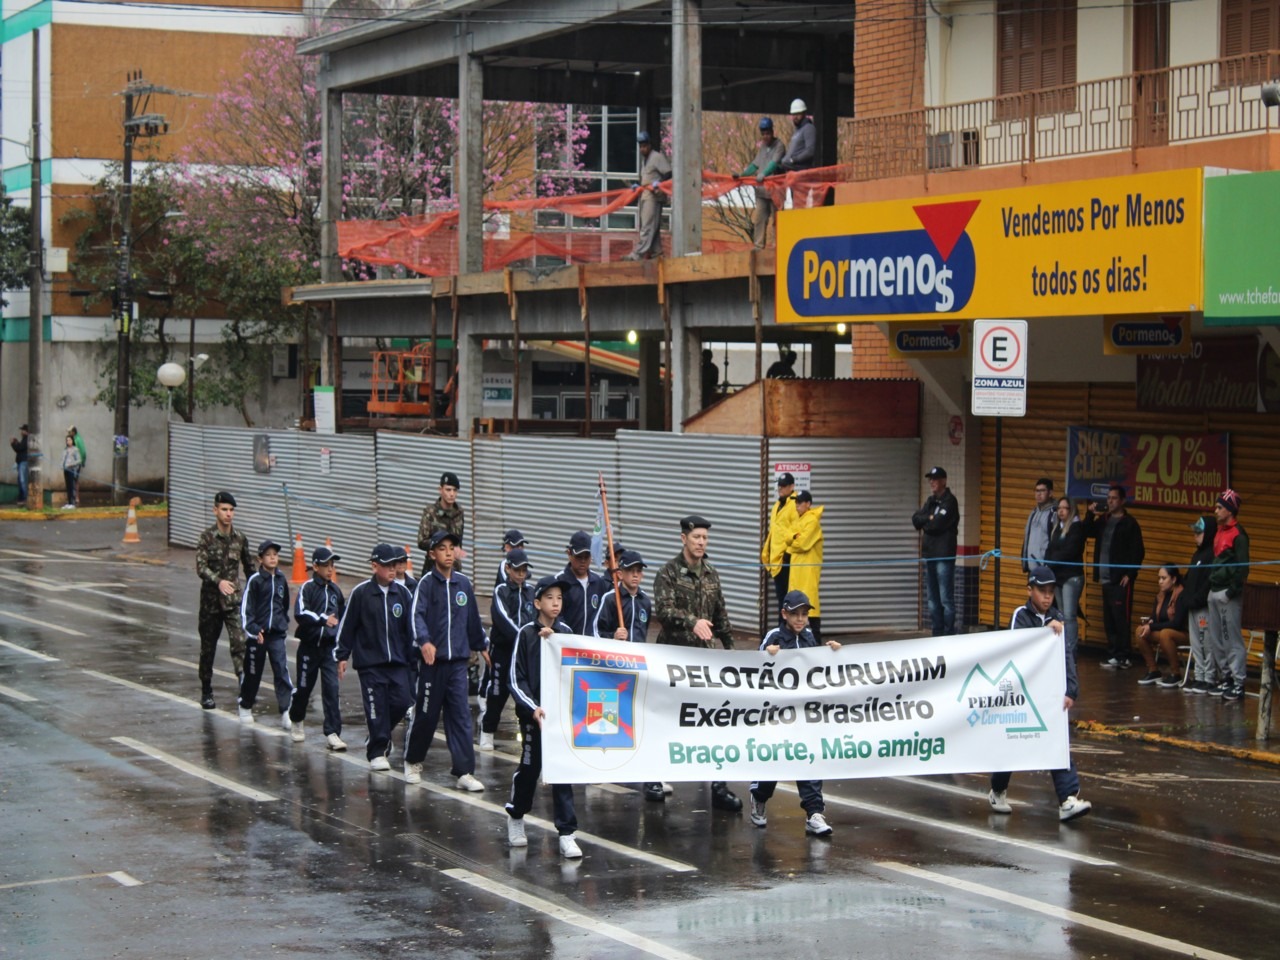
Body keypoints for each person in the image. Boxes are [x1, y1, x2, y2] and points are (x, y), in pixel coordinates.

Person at [987, 565, 1092, 822]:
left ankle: (1067, 799)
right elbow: (1019, 648)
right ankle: (998, 789)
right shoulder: (1020, 615)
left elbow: (1066, 656)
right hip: (1022, 695)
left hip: (1049, 695)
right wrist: (1046, 632)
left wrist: (1071, 690)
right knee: (1012, 745)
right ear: (1029, 590)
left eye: (1050, 592)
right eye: (1041, 591)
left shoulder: (1057, 617)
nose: (1047, 597)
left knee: (1056, 743)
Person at [652, 514, 741, 811]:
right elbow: (663, 610)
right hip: (673, 660)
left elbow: (722, 618)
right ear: (683, 538)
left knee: (712, 722)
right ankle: (655, 775)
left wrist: (734, 655)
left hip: (705, 664)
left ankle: (718, 784)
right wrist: (692, 621)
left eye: (705, 538)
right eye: (696, 538)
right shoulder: (668, 573)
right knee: (667, 719)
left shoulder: (711, 574)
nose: (701, 542)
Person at [749, 590, 839, 837]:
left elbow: (817, 667)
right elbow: (754, 667)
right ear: (784, 614)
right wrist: (768, 654)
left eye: (804, 614)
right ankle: (759, 797)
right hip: (778, 713)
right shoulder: (775, 636)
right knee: (774, 760)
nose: (800, 619)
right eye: (795, 614)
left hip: (803, 713)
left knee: (808, 758)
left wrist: (833, 652)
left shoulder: (810, 636)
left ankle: (814, 812)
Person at [404, 529, 488, 791]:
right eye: (442, 548)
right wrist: (425, 641)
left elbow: (472, 620)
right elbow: (416, 616)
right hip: (432, 664)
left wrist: (482, 644)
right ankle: (413, 760)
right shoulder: (426, 585)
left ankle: (464, 771)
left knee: (461, 715)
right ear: (432, 554)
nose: (449, 552)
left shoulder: (463, 584)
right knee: (427, 715)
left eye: (452, 547)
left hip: (458, 664)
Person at [506, 574, 582, 857]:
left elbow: (578, 668)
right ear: (537, 602)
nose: (555, 603)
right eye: (549, 597)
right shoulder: (525, 634)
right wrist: (532, 707)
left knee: (562, 771)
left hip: (559, 719)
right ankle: (516, 815)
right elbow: (516, 679)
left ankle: (567, 832)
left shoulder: (565, 633)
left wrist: (558, 642)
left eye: (559, 598)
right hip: (533, 718)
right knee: (529, 770)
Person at [333, 543, 417, 771]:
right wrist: (341, 655)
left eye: (396, 565)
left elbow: (412, 628)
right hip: (370, 664)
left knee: (402, 702)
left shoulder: (404, 594)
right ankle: (377, 751)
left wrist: (417, 653)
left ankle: (379, 734)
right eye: (387, 566)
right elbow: (347, 626)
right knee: (376, 706)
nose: (393, 570)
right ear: (374, 566)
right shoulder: (361, 593)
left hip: (398, 662)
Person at [195, 491, 255, 710]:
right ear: (215, 511)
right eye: (224, 510)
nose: (228, 514)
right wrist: (218, 581)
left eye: (231, 510)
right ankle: (206, 689)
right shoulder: (206, 537)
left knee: (240, 643)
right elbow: (201, 567)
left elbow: (250, 569)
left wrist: (257, 592)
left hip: (232, 602)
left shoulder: (240, 538)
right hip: (210, 603)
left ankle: (244, 686)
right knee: (207, 648)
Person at [290, 545, 347, 750]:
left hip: (329, 649)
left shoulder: (335, 591)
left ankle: (332, 732)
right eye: (326, 565)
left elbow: (343, 619)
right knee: (304, 688)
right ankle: (296, 718)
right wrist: (323, 620)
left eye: (332, 565)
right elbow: (301, 613)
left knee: (332, 690)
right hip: (309, 648)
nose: (330, 569)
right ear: (315, 566)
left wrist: (343, 652)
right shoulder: (307, 588)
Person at [1082, 484, 1145, 669]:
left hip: (1120, 580)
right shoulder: (1104, 520)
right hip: (1105, 578)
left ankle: (1124, 655)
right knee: (1109, 618)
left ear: (1122, 500)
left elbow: (1138, 551)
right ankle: (1113, 653)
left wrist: (1130, 573)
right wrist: (1089, 514)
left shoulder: (1129, 523)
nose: (1110, 501)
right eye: (1108, 498)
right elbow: (1087, 531)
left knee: (1121, 618)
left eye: (1114, 498)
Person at [238, 539, 295, 728]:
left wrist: (282, 623)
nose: (272, 558)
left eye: (275, 554)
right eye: (268, 555)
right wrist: (253, 630)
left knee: (281, 670)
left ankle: (286, 710)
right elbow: (247, 609)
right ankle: (245, 704)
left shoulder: (280, 579)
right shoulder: (255, 580)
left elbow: (284, 604)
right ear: (260, 559)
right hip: (258, 636)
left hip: (276, 634)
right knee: (253, 672)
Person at [481, 546, 534, 751]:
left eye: (524, 570)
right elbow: (502, 618)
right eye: (517, 569)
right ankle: (487, 730)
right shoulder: (501, 591)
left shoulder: (531, 592)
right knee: (497, 692)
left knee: (525, 691)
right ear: (509, 569)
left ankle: (528, 732)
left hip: (524, 653)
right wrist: (522, 637)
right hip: (503, 651)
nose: (521, 574)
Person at [1207, 489, 1250, 702]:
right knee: (1216, 638)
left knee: (1231, 638)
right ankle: (1226, 677)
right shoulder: (1219, 530)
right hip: (1214, 590)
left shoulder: (1238, 535)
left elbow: (1243, 569)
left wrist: (1231, 591)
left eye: (1219, 508)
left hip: (1227, 594)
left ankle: (1238, 681)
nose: (1215, 511)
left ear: (1230, 511)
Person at [912, 466, 959, 637]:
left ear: (944, 481)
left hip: (944, 556)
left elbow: (937, 524)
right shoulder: (930, 501)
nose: (932, 482)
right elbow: (916, 520)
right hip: (930, 555)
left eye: (935, 479)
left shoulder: (950, 501)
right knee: (932, 600)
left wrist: (929, 521)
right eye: (930, 479)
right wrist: (928, 518)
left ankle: (948, 633)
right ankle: (936, 633)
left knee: (946, 598)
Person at [734, 116, 785, 248]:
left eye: (768, 133)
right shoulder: (763, 147)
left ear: (772, 131)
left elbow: (773, 163)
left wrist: (764, 174)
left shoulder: (779, 146)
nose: (765, 136)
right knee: (760, 220)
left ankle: (777, 247)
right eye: (763, 134)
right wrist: (742, 175)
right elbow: (755, 165)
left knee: (777, 221)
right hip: (762, 191)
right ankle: (758, 247)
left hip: (775, 191)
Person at [1044, 497, 1087, 655]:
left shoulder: (1076, 527)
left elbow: (1070, 551)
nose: (1060, 511)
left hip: (1071, 576)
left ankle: (1071, 650)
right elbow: (1050, 548)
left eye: (1064, 508)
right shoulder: (1057, 528)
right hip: (1058, 576)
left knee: (1069, 615)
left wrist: (1052, 561)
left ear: (1072, 510)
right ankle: (1062, 648)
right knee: (1061, 613)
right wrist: (1046, 561)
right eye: (1059, 508)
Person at [1134, 565, 1189, 687]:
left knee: (1166, 633)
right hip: (1164, 632)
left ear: (1173, 579)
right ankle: (1153, 670)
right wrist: (1149, 624)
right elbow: (1154, 617)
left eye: (1164, 578)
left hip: (1183, 633)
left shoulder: (1182, 594)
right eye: (1159, 578)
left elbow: (1177, 623)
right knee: (1140, 631)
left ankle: (1176, 674)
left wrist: (1153, 627)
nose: (1160, 582)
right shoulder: (1160, 595)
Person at [1182, 515, 1219, 694]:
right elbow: (1189, 578)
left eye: (1199, 533)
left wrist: (1197, 598)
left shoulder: (1212, 555)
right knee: (1196, 643)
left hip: (1203, 608)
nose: (1195, 536)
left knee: (1206, 643)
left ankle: (1209, 677)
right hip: (1192, 607)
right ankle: (1199, 676)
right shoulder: (1197, 554)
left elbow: (1208, 583)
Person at [623, 131, 671, 261]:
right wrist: (637, 185)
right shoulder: (645, 161)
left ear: (649, 145)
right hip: (645, 195)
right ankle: (657, 253)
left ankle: (637, 254)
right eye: (640, 146)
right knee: (651, 227)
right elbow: (647, 179)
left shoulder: (656, 157)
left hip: (653, 196)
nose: (642, 148)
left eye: (644, 145)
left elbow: (668, 173)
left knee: (647, 226)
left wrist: (659, 184)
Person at [786, 490, 824, 642]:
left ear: (808, 504)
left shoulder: (812, 522)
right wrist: (793, 538)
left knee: (810, 614)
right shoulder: (798, 520)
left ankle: (816, 649)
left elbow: (802, 544)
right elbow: (786, 537)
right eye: (795, 502)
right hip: (796, 574)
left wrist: (793, 540)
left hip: (807, 575)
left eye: (799, 503)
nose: (796, 506)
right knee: (793, 613)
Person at [760, 472, 798, 625]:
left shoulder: (794, 504)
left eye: (784, 486)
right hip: (776, 559)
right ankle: (782, 628)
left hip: (786, 559)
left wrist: (788, 555)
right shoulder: (777, 505)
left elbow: (796, 531)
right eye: (779, 486)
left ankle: (785, 628)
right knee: (781, 597)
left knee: (787, 597)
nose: (781, 489)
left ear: (791, 487)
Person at [593, 549, 652, 643]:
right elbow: (596, 632)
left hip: (637, 654)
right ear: (620, 574)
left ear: (642, 575)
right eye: (630, 570)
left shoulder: (645, 601)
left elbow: (644, 632)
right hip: (616, 655)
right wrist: (613, 636)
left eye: (638, 571)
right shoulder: (610, 599)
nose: (635, 575)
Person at [558, 530, 608, 636]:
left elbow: (603, 617)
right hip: (567, 645)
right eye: (579, 556)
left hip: (591, 647)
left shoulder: (598, 582)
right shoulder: (559, 582)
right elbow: (556, 617)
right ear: (569, 554)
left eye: (587, 556)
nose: (583, 561)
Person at [417, 471, 466, 568]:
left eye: (454, 490)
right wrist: (442, 546)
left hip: (453, 567)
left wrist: (457, 550)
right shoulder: (430, 512)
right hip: (434, 567)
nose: (452, 494)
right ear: (440, 490)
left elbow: (458, 540)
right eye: (448, 490)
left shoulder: (459, 512)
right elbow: (421, 541)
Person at [1021, 478, 1055, 572]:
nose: (1039, 494)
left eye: (1042, 491)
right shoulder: (1033, 513)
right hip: (1031, 569)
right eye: (1036, 491)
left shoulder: (1054, 514)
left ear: (1050, 493)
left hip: (1046, 569)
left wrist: (1048, 565)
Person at [779, 98, 816, 172]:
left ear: (804, 113)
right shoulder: (798, 130)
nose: (795, 117)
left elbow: (810, 151)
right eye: (793, 114)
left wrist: (794, 160)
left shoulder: (808, 128)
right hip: (792, 172)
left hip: (801, 171)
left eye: (798, 114)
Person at [60, 435, 82, 509]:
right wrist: (61, 465)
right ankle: (69, 502)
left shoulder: (75, 450)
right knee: (68, 486)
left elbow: (79, 460)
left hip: (71, 469)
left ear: (72, 441)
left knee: (72, 486)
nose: (68, 441)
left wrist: (71, 464)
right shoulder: (65, 450)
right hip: (65, 470)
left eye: (69, 440)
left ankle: (72, 503)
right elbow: (63, 459)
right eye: (67, 440)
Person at [10, 424, 29, 503]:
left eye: (23, 430)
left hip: (23, 462)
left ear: (26, 431)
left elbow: (20, 448)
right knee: (20, 480)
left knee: (22, 480)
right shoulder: (24, 439)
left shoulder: (27, 439)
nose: (21, 432)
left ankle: (24, 497)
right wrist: (16, 442)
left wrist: (13, 444)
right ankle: (21, 497)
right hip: (20, 462)